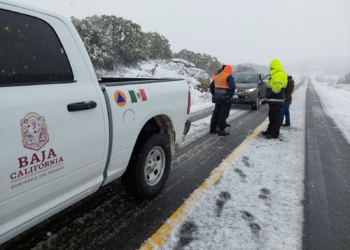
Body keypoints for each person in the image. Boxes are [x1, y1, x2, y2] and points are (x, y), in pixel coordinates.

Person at [261, 59, 287, 139]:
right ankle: (270, 130)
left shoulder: (279, 74)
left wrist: (269, 95)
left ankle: (274, 133)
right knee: (271, 116)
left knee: (275, 117)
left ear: (274, 67)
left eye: (271, 67)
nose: (270, 69)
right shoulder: (275, 74)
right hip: (273, 100)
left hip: (276, 100)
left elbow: (277, 88)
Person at [209, 64, 235, 136]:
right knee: (223, 114)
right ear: (230, 70)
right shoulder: (229, 76)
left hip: (218, 98)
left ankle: (212, 129)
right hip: (225, 98)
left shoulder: (218, 76)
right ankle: (221, 130)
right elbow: (232, 87)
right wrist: (230, 96)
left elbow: (211, 86)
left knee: (216, 113)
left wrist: (214, 94)